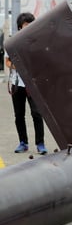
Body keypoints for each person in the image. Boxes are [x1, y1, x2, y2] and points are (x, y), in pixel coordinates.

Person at [5, 12, 48, 154]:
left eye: (31, 24)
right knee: (19, 115)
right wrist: (20, 66)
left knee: (37, 113)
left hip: (33, 84)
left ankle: (40, 144)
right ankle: (23, 143)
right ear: (19, 27)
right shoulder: (12, 42)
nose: (29, 27)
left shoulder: (37, 42)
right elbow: (8, 62)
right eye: (26, 25)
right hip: (17, 84)